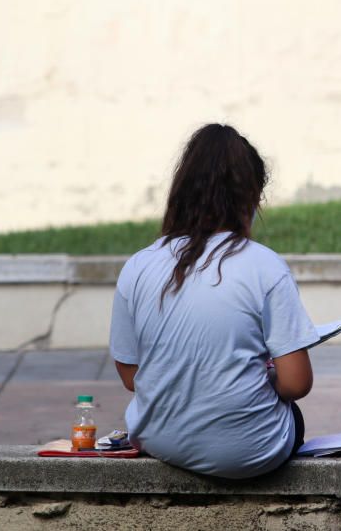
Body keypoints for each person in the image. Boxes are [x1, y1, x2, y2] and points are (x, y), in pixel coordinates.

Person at [109, 124, 320, 479]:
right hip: (250, 452)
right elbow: (297, 384)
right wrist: (258, 375)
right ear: (250, 197)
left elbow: (131, 376)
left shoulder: (138, 265)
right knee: (292, 417)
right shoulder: (265, 265)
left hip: (159, 441)